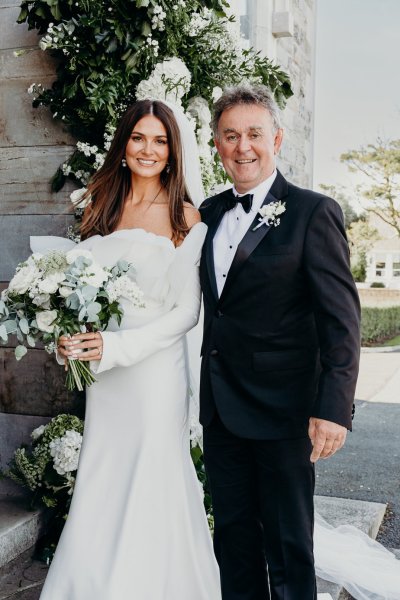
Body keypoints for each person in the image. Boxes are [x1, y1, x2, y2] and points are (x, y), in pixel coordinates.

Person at [34, 99, 222, 600]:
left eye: (160, 140)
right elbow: (80, 291)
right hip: (105, 374)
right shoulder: (100, 207)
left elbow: (186, 313)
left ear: (173, 150)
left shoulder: (186, 215)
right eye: (139, 137)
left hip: (152, 370)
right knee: (102, 470)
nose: (148, 149)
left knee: (150, 473)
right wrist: (68, 332)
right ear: (123, 146)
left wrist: (117, 346)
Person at [198, 84, 361, 600]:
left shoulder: (314, 212)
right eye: (230, 136)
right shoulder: (207, 213)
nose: (243, 146)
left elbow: (341, 320)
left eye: (253, 134)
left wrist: (333, 407)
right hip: (221, 410)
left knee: (289, 546)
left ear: (277, 139)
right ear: (217, 145)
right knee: (234, 541)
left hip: (286, 411)